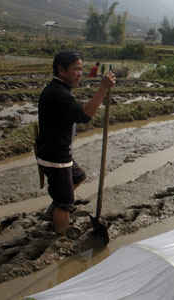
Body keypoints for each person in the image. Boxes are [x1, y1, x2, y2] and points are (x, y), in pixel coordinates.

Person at [36, 50, 115, 236]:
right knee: (66, 203)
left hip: (56, 150)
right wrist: (103, 88)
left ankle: (55, 207)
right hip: (56, 156)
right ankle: (59, 238)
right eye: (76, 69)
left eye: (81, 69)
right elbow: (83, 115)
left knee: (78, 176)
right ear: (61, 70)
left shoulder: (59, 89)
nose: (80, 73)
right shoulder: (58, 94)